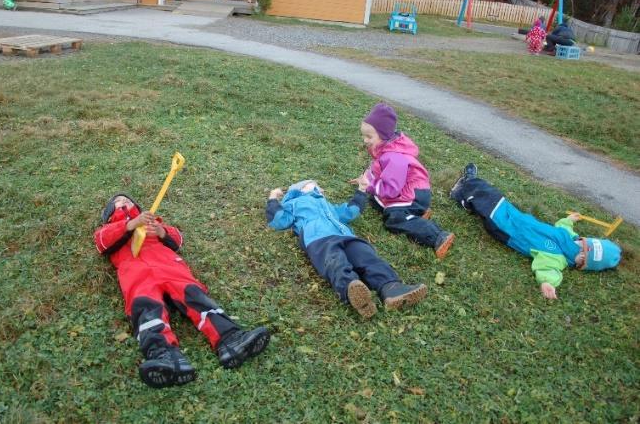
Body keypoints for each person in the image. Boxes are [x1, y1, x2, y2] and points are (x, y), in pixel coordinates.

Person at [94, 193, 270, 388]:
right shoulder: (108, 229)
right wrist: (131, 224)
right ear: (109, 212)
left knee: (197, 298)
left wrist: (160, 231)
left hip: (170, 267)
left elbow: (177, 239)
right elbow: (102, 242)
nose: (124, 202)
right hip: (137, 273)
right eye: (119, 202)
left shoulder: (154, 222)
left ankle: (231, 339)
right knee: (147, 310)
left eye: (128, 200)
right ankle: (164, 356)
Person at [449, 164, 622, 300]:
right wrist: (570, 220)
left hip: (508, 230)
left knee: (490, 201)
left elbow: (548, 270)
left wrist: (547, 283)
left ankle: (467, 183)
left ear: (582, 264)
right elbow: (564, 226)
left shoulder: (556, 258)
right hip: (518, 218)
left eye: (582, 255)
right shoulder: (570, 237)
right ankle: (465, 196)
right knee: (495, 199)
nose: (579, 248)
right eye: (583, 245)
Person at [266, 180, 427, 319]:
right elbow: (279, 221)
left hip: (346, 236)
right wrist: (273, 197)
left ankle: (391, 288)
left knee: (368, 257)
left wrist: (361, 190)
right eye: (316, 185)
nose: (321, 189)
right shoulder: (294, 203)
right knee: (334, 261)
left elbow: (350, 212)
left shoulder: (328, 206)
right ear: (301, 188)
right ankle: (351, 288)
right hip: (318, 238)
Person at [351, 103, 455, 259]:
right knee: (375, 200)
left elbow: (391, 189)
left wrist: (370, 185)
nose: (365, 140)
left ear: (383, 135)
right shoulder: (384, 147)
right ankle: (415, 212)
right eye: (364, 135)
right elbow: (378, 170)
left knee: (393, 219)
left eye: (369, 136)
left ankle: (437, 235)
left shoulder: (394, 158)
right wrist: (366, 178)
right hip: (404, 190)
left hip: (413, 195)